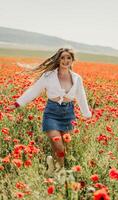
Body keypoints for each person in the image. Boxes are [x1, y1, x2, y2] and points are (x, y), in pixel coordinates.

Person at [9, 48, 92, 177]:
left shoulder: (77, 78)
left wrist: (86, 114)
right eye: (62, 57)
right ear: (58, 59)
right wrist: (17, 103)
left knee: (64, 149)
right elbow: (34, 90)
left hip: (68, 113)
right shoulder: (48, 76)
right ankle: (61, 174)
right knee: (58, 145)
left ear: (72, 60)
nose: (65, 61)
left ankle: (52, 165)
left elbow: (81, 96)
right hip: (52, 114)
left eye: (68, 58)